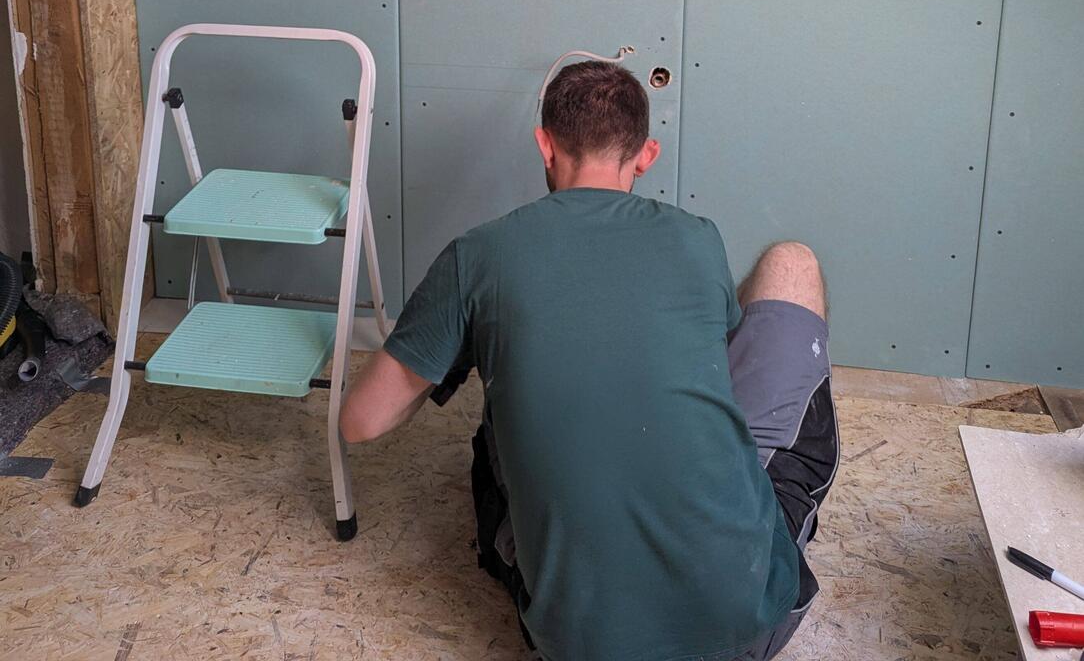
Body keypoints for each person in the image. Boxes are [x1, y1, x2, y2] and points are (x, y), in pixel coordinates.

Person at [340, 61, 838, 661]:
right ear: (646, 156)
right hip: (749, 624)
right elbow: (728, 356)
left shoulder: (479, 253)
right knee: (791, 262)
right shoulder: (698, 237)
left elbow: (360, 422)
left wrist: (448, 346)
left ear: (544, 144)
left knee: (505, 412)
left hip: (579, 645)